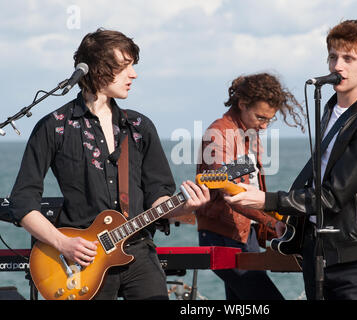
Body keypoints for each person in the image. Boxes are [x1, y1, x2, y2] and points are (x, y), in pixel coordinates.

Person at [8, 28, 209, 300]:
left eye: (133, 67)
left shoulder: (139, 127)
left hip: (138, 251)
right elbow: (23, 201)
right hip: (81, 260)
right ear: (98, 70)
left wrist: (185, 206)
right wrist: (63, 243)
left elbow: (157, 198)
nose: (133, 75)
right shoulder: (54, 127)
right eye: (125, 67)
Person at [224, 19, 357, 300]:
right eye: (332, 56)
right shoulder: (331, 111)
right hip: (320, 249)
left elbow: (333, 195)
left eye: (348, 58)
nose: (336, 66)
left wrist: (268, 201)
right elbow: (318, 175)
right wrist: (293, 219)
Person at [196, 72, 306, 300]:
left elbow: (250, 188)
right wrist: (271, 221)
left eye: (269, 119)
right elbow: (229, 191)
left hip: (245, 234)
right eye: (261, 117)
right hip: (223, 236)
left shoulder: (248, 132)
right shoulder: (219, 134)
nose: (264, 125)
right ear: (243, 104)